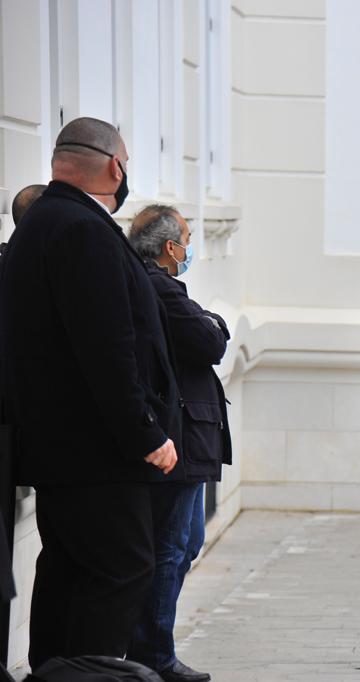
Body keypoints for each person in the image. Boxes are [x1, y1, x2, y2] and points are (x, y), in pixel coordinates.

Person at [0, 117, 181, 669]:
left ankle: (54, 672)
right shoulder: (80, 229)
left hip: (64, 449)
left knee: (70, 572)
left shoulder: (46, 220)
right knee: (119, 572)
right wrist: (145, 433)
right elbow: (106, 348)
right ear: (113, 165)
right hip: (97, 451)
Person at [126, 205, 232, 682]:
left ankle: (151, 648)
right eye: (187, 239)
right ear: (171, 248)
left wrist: (211, 322)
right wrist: (213, 322)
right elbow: (210, 339)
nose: (190, 248)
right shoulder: (161, 288)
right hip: (180, 435)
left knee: (185, 542)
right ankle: (153, 654)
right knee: (172, 546)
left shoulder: (158, 285)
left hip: (190, 433)